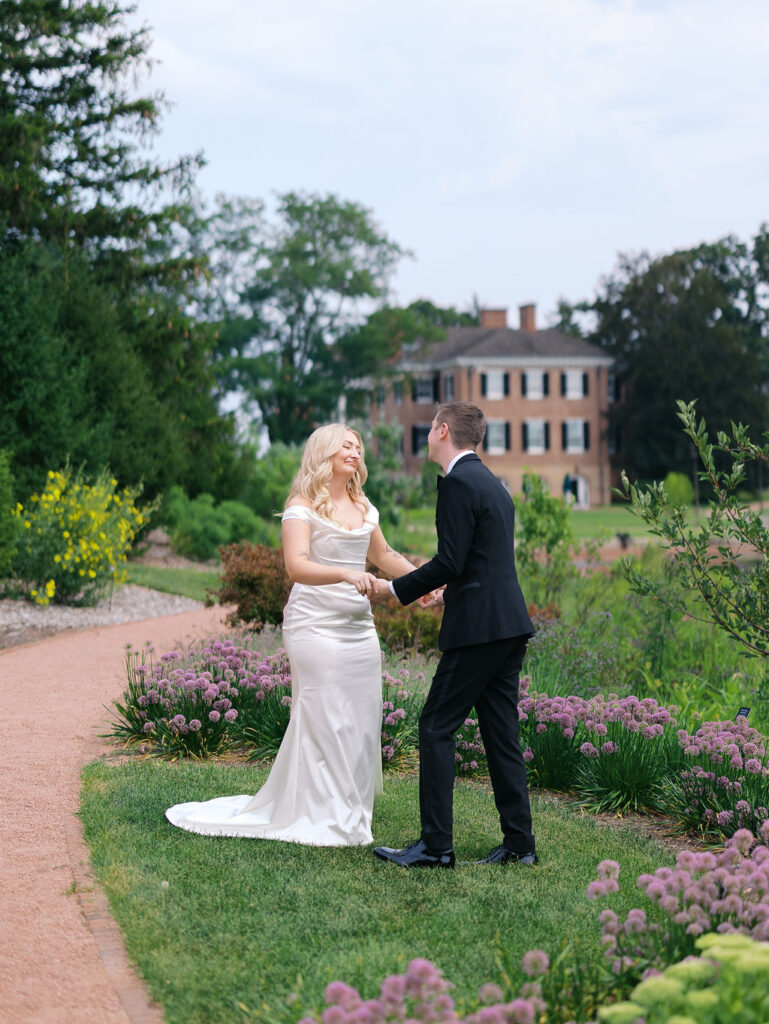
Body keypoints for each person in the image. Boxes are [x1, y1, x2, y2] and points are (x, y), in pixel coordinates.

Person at [165, 424, 418, 846]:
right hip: (314, 624)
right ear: (324, 452)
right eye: (346, 445)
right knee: (324, 715)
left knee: (360, 716)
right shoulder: (301, 505)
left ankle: (348, 807)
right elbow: (296, 567)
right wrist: (346, 575)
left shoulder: (363, 505)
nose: (355, 451)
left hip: (358, 628)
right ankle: (319, 812)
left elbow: (384, 555)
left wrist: (425, 584)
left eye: (358, 446)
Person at [372, 402, 536, 869]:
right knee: (501, 735)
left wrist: (394, 589)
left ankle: (436, 847)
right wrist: (449, 594)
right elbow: (482, 562)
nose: (427, 435)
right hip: (507, 625)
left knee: (435, 725)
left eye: (430, 428)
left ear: (444, 431)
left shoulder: (459, 483)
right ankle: (520, 845)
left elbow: (450, 561)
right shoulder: (493, 484)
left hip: (478, 633)